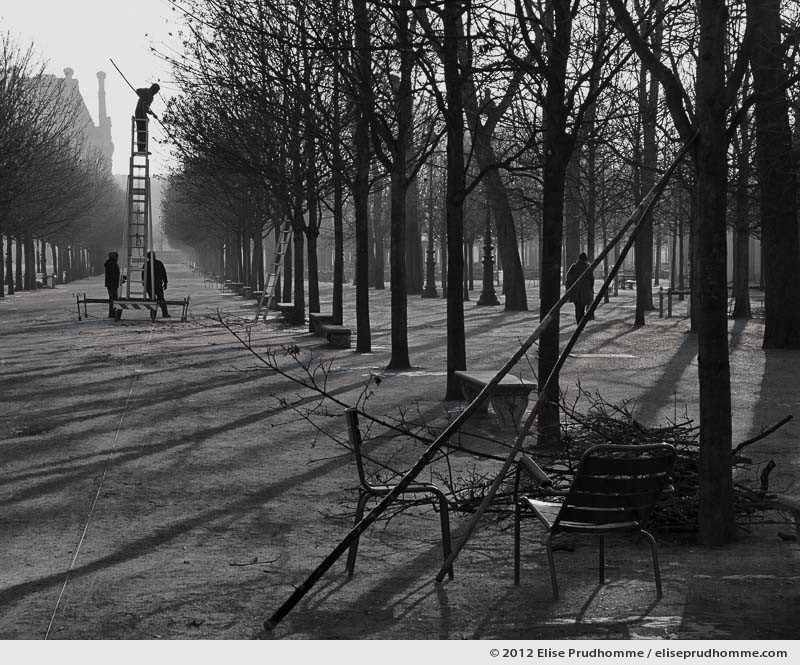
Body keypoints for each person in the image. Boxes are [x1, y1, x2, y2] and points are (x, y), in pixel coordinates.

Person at [565, 252, 594, 324]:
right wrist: (590, 289)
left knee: (577, 308)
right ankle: (581, 323)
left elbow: (568, 279)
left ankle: (578, 321)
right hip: (585, 291)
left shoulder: (573, 267)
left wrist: (569, 289)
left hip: (575, 291)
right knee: (582, 307)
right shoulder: (588, 267)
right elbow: (592, 280)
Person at [142, 251, 170, 318]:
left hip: (149, 285)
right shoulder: (159, 263)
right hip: (158, 285)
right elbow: (163, 273)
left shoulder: (146, 264)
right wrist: (165, 282)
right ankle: (165, 313)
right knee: (161, 299)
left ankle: (153, 315)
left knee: (152, 300)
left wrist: (144, 284)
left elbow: (143, 276)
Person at [134, 83, 160, 153]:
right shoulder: (146, 91)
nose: (156, 93)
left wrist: (153, 114)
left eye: (157, 91)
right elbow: (137, 90)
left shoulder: (151, 98)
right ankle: (140, 148)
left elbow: (146, 108)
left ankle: (143, 148)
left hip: (143, 113)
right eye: (156, 91)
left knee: (144, 131)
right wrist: (143, 97)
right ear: (153, 88)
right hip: (139, 111)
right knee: (140, 130)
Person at [104, 251, 121, 318]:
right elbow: (113, 274)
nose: (117, 258)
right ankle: (112, 314)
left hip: (110, 284)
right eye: (116, 256)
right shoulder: (112, 264)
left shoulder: (110, 263)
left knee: (112, 299)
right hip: (112, 284)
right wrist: (118, 278)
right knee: (113, 299)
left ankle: (112, 313)